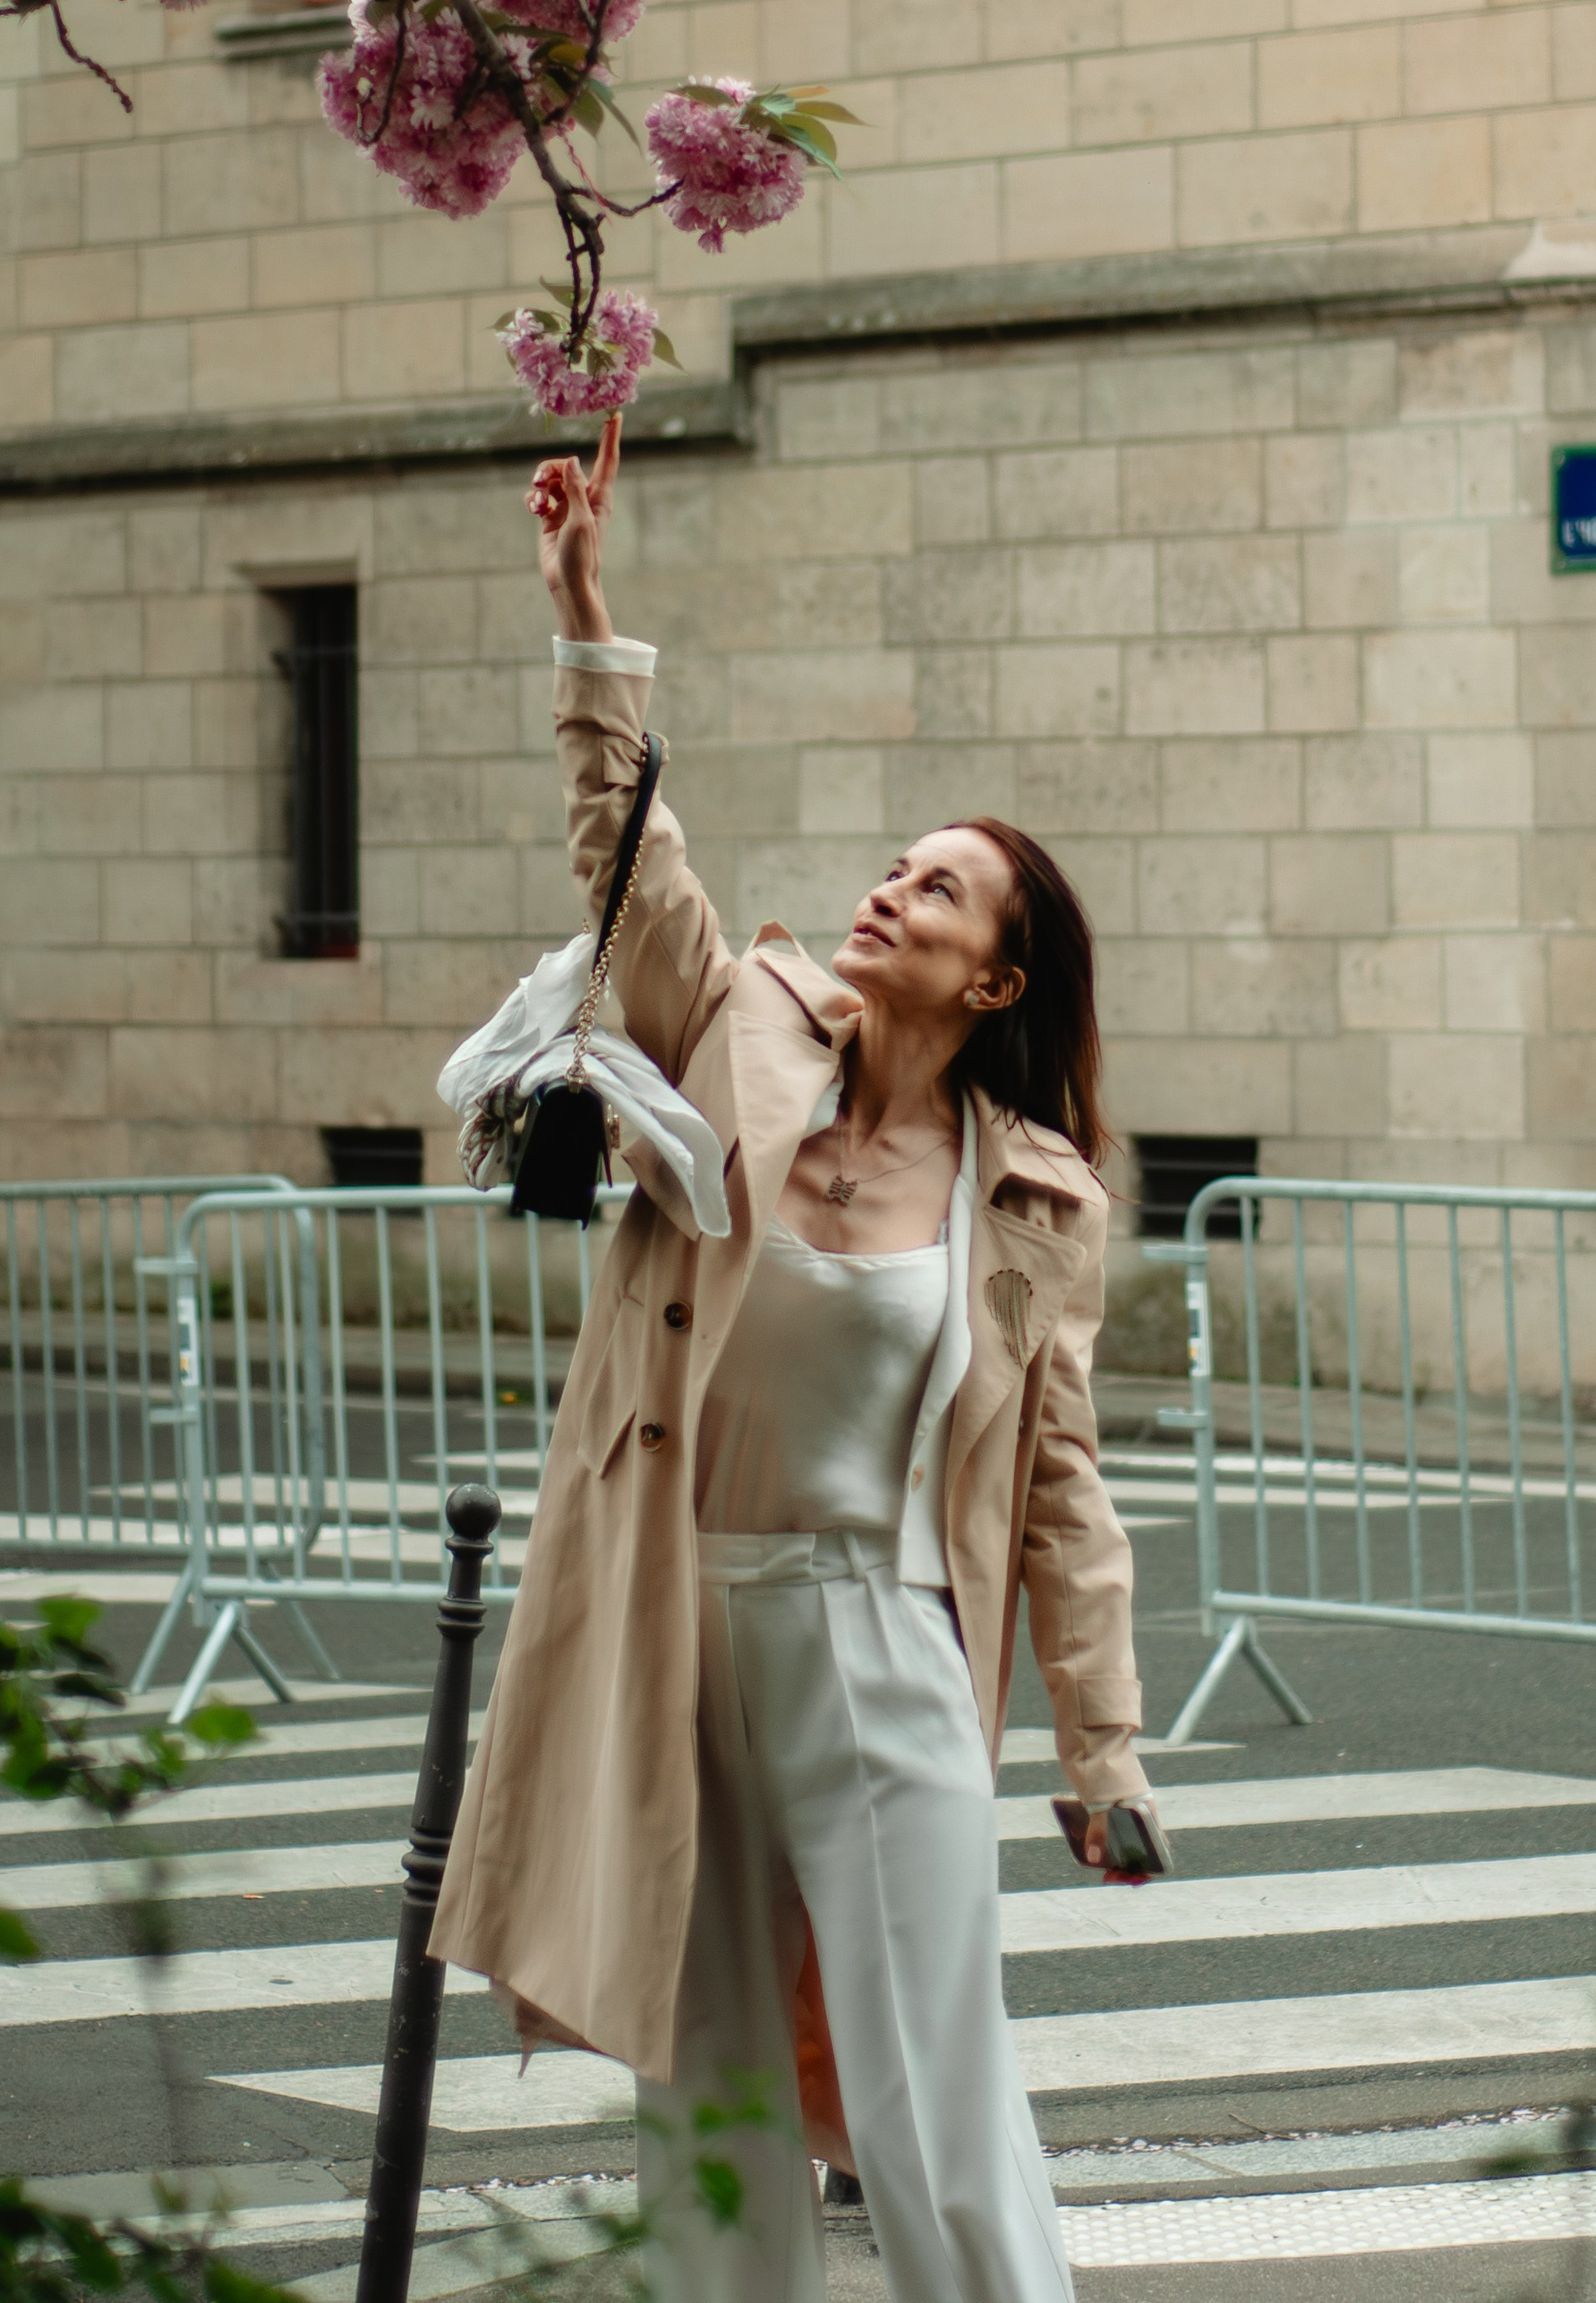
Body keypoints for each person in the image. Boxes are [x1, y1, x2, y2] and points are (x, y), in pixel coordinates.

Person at [431, 416, 1162, 2303]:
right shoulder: (740, 1028)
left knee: (933, 2084)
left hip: (885, 1637)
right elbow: (632, 862)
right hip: (682, 1616)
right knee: (714, 2099)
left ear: (992, 978)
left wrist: (1101, 1743)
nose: (884, 892)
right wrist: (587, 609)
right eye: (891, 865)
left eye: (933, 890)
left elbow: (1059, 1484)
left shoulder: (1028, 1196)